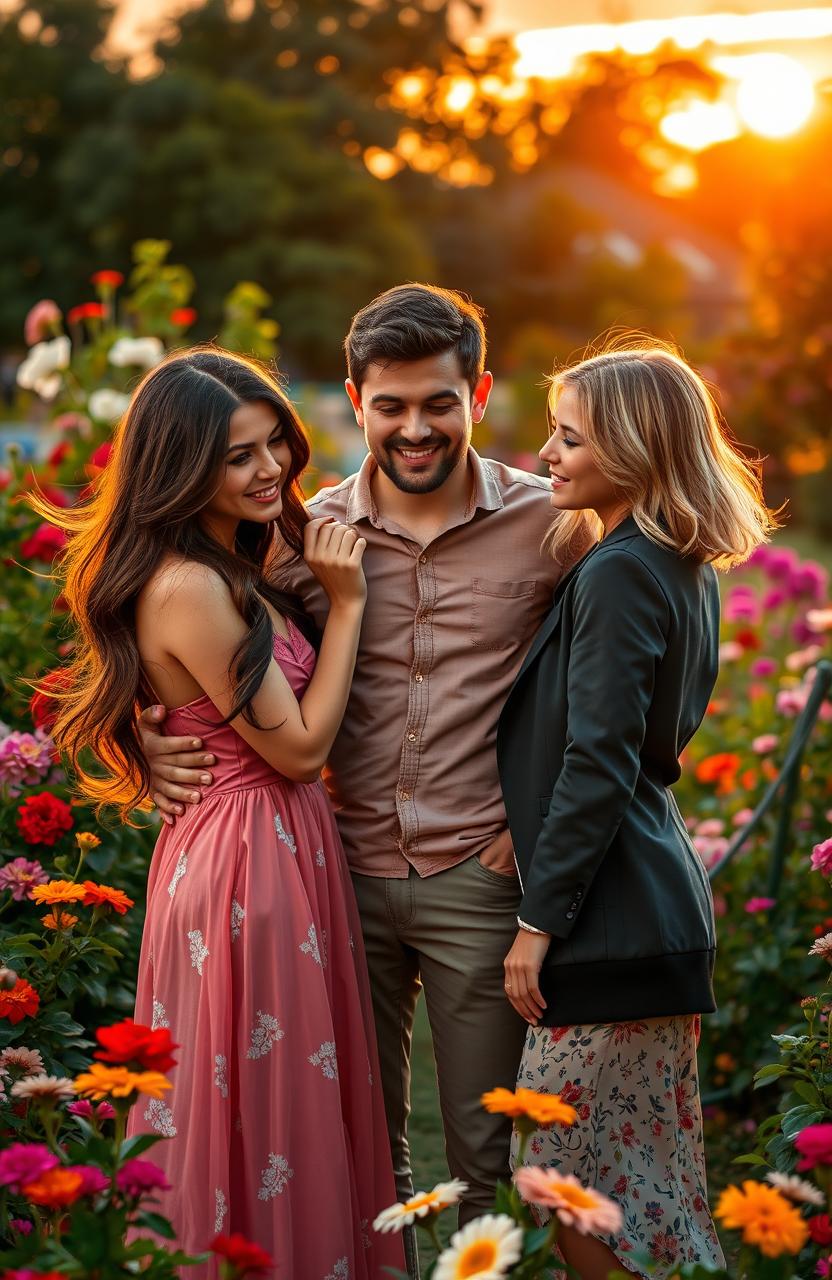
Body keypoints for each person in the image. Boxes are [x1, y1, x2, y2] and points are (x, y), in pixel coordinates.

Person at [142, 285, 590, 1275]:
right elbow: (174, 640)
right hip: (327, 876)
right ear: (354, 400)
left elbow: (617, 681)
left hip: (476, 871)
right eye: (390, 405)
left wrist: (539, 825)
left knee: (481, 1155)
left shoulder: (552, 526)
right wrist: (145, 739)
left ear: (477, 391)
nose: (415, 426)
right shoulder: (305, 537)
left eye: (439, 400)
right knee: (352, 1148)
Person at [34, 348, 404, 1280]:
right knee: (268, 1103)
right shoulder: (192, 586)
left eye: (273, 440)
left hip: (272, 846)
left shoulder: (231, 559)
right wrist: (350, 604)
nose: (270, 466)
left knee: (282, 1096)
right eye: (238, 456)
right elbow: (301, 750)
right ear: (181, 466)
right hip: (249, 866)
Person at [496, 338, 774, 1280]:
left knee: (562, 1184)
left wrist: (539, 920)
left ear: (634, 445)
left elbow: (603, 757)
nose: (546, 456)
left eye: (569, 438)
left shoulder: (622, 569)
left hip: (609, 922)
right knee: (647, 1193)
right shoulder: (675, 562)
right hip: (650, 907)